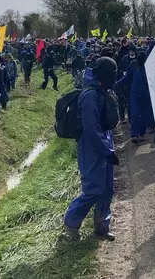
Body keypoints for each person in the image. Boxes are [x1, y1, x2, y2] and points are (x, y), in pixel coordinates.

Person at [64, 57, 119, 241]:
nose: (114, 78)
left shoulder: (103, 90)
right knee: (94, 189)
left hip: (105, 141)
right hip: (91, 147)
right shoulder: (89, 96)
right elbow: (91, 129)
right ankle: (71, 224)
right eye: (112, 75)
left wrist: (109, 149)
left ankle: (102, 227)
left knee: (107, 189)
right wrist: (106, 152)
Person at [116, 50, 153, 144]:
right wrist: (117, 84)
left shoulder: (149, 65)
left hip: (145, 93)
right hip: (135, 93)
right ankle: (134, 134)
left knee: (144, 114)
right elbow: (127, 77)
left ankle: (141, 134)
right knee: (135, 113)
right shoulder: (133, 64)